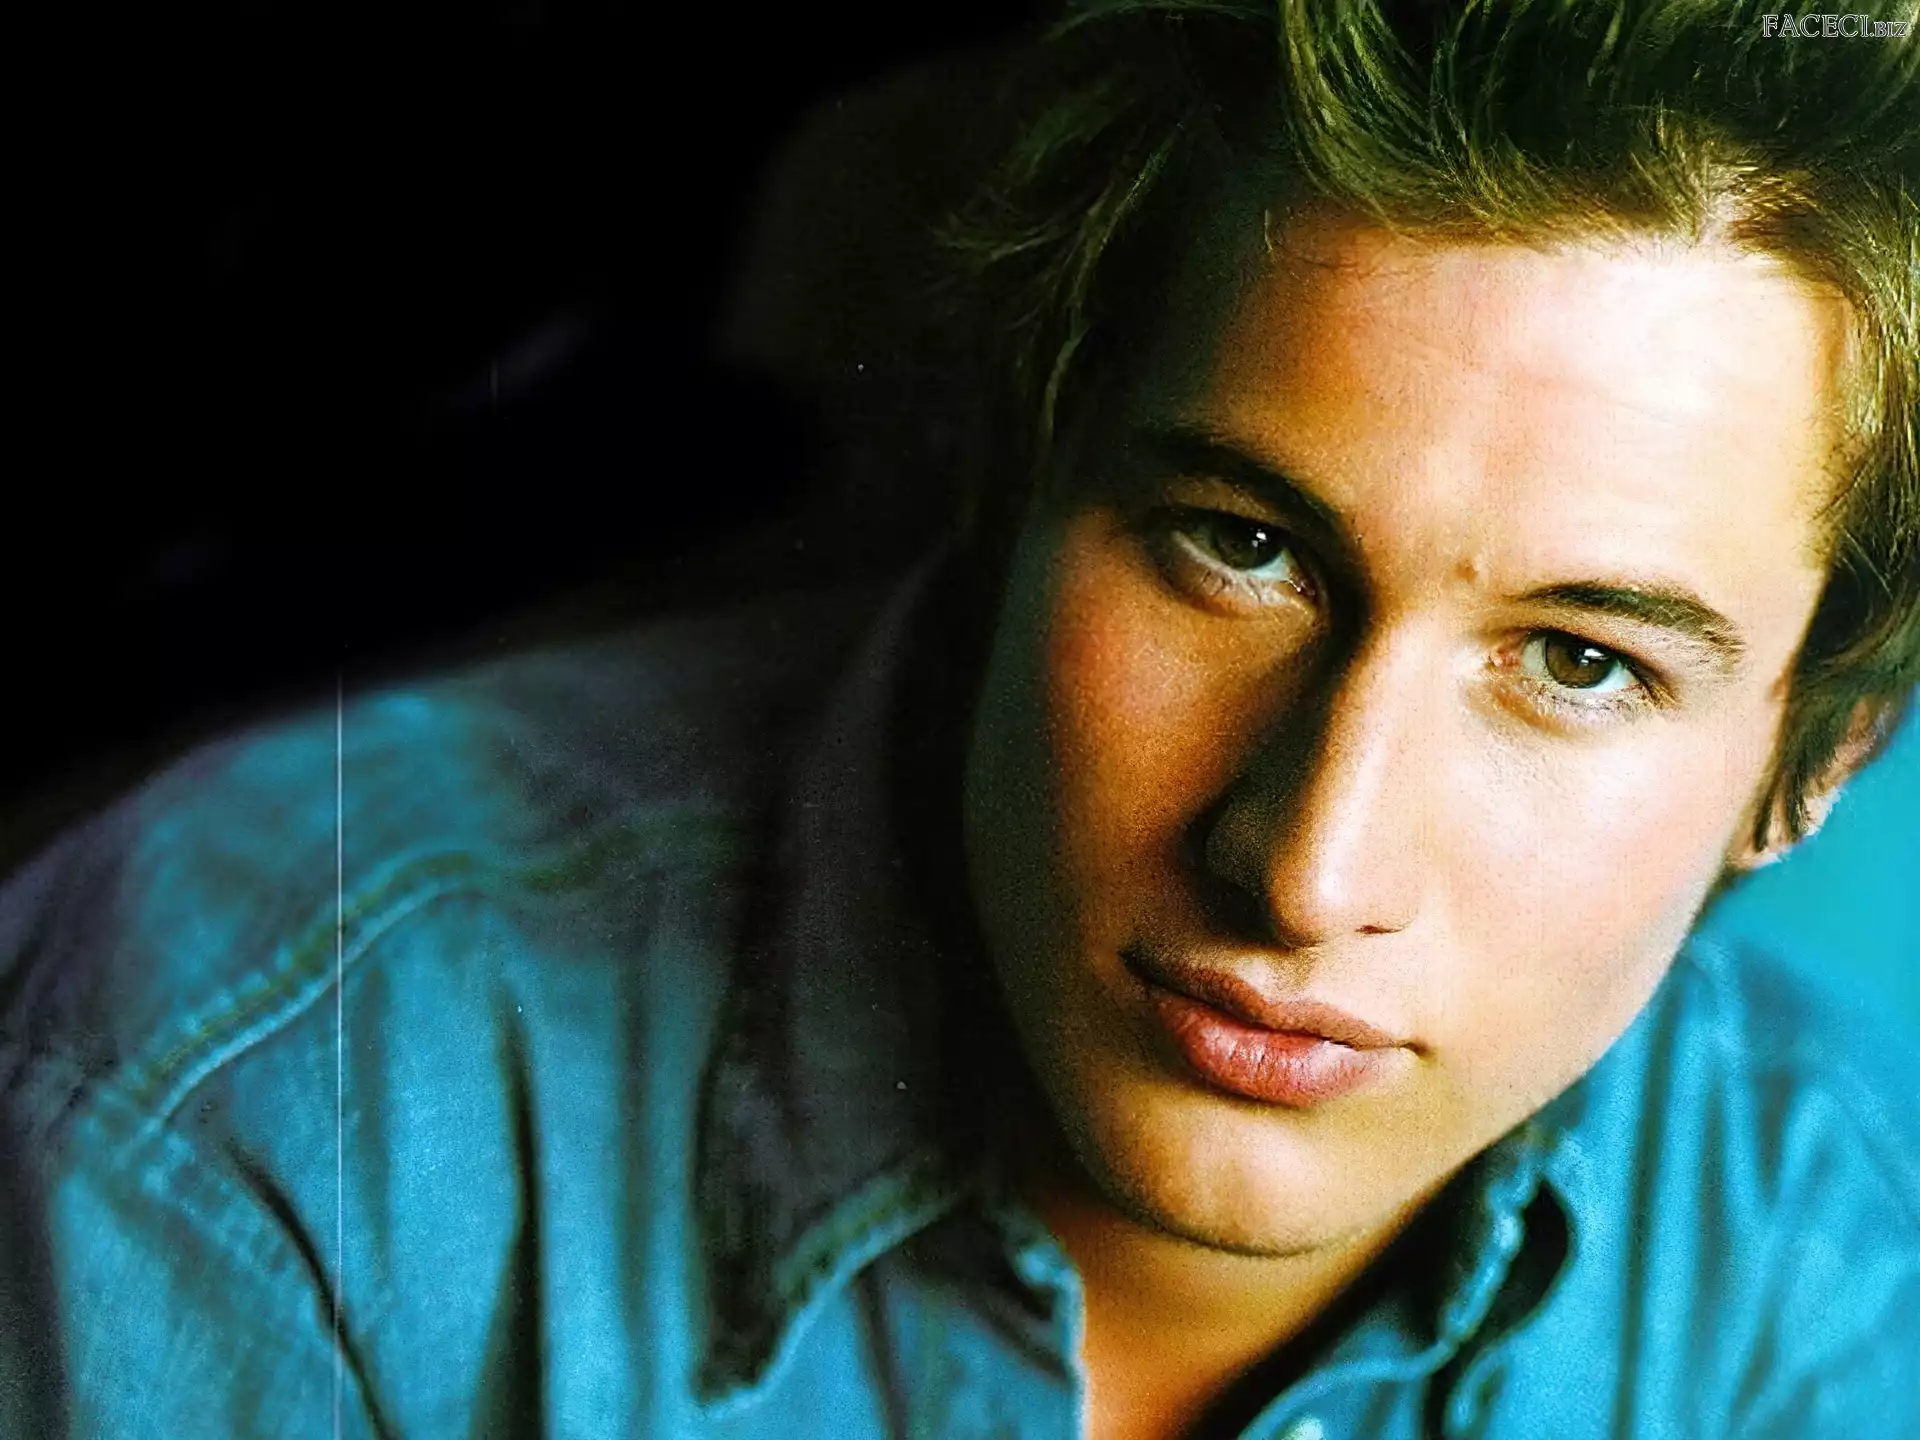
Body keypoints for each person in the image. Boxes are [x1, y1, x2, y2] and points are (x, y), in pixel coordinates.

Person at [4, 1, 1918, 1436]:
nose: (1307, 867)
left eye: (1580, 662)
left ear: (1813, 760)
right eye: (1241, 546)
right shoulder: (252, 1101)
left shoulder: (1832, 1258)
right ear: (1018, 483)